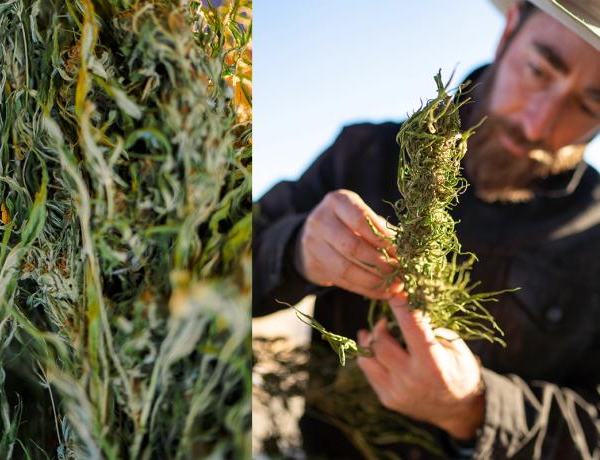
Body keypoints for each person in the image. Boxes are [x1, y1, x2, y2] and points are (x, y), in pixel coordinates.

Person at [254, 1, 600, 459]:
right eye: (538, 70)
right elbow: (210, 267)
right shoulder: (364, 154)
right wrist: (297, 248)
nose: (538, 124)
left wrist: (475, 409)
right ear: (510, 28)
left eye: (588, 104)